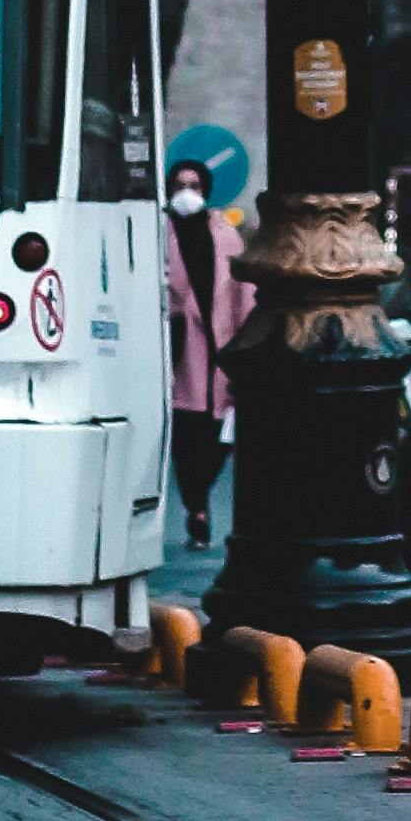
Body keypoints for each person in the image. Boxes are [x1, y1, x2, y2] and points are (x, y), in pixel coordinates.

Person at [163, 153, 251, 547]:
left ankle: (198, 499)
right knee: (186, 437)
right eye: (179, 186)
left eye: (194, 187)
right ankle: (196, 507)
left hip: (220, 348)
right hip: (179, 351)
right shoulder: (157, 230)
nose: (186, 194)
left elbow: (243, 293)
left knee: (217, 436)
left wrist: (244, 341)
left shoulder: (226, 235)